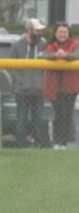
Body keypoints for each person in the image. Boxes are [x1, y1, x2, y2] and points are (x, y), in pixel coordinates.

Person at [9, 18, 48, 148]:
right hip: (22, 91)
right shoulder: (17, 45)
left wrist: (42, 82)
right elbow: (11, 67)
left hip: (39, 90)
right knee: (22, 120)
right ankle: (20, 147)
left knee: (39, 120)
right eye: (37, 30)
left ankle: (38, 146)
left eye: (41, 30)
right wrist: (20, 83)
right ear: (29, 30)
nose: (40, 33)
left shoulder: (44, 44)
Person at [44, 22, 79, 149]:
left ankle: (64, 143)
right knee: (58, 114)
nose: (62, 34)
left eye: (65, 32)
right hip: (55, 87)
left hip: (70, 87)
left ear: (68, 33)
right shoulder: (49, 45)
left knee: (67, 114)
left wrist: (65, 55)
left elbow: (77, 55)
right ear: (55, 33)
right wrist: (55, 55)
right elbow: (44, 55)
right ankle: (56, 142)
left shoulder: (75, 43)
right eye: (60, 32)